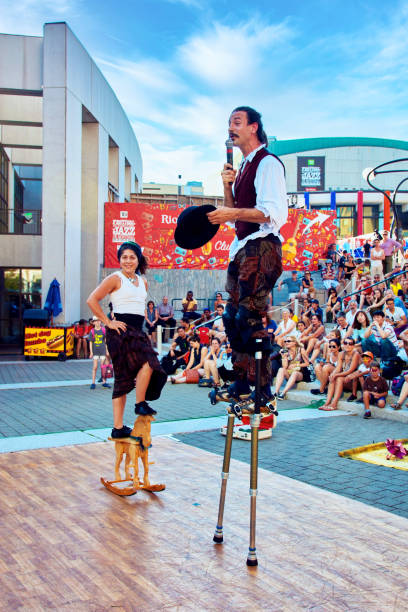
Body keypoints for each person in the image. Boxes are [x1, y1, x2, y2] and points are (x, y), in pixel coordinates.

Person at [207, 105, 287, 402]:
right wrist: (227, 186)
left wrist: (231, 212)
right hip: (242, 247)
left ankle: (264, 389)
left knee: (250, 317)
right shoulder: (242, 167)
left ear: (253, 126)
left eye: (237, 121)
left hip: (262, 244)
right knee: (231, 318)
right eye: (229, 122)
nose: (231, 127)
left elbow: (272, 212)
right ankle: (241, 382)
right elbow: (234, 215)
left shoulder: (267, 163)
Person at [86, 241, 166, 439]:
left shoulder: (143, 281)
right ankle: (118, 426)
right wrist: (107, 322)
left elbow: (139, 308)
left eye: (132, 257)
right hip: (120, 331)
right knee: (122, 377)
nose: (128, 261)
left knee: (150, 364)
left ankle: (139, 404)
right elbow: (91, 300)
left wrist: (143, 332)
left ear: (138, 259)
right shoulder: (115, 278)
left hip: (137, 331)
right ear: (119, 259)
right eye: (124, 257)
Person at [319, 337, 360, 411]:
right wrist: (333, 374)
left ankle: (334, 404)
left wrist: (336, 375)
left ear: (353, 346)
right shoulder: (341, 353)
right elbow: (338, 368)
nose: (347, 345)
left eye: (350, 344)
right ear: (343, 345)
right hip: (344, 378)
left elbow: (350, 371)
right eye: (345, 343)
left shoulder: (355, 354)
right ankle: (327, 402)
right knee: (333, 377)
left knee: (338, 378)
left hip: (352, 380)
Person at [89, 316, 111, 390]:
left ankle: (104, 382)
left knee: (103, 367)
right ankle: (93, 382)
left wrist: (107, 350)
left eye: (99, 321)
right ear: (93, 322)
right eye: (96, 321)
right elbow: (91, 342)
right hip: (95, 351)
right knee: (95, 367)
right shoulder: (92, 331)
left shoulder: (103, 330)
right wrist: (91, 352)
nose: (98, 322)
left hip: (102, 350)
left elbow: (105, 341)